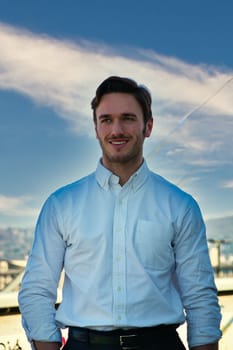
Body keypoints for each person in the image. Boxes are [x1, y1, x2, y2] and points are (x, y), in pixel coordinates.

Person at [18, 76, 222, 350]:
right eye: (106, 119)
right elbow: (37, 290)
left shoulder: (180, 205)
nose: (117, 129)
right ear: (95, 127)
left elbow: (199, 296)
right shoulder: (61, 205)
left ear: (148, 126)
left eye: (127, 118)